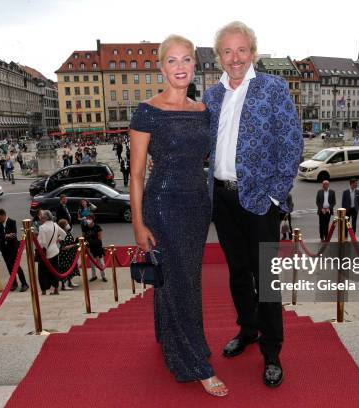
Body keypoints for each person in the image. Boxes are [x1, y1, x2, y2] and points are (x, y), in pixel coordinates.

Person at [203, 22, 302, 388]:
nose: (235, 58)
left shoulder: (273, 89)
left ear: (253, 52)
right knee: (238, 272)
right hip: (223, 199)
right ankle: (248, 330)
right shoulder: (212, 96)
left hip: (260, 200)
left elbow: (292, 146)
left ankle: (272, 351)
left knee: (267, 278)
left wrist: (275, 197)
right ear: (219, 57)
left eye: (241, 50)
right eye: (227, 52)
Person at [130, 34, 229, 396]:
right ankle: (196, 362)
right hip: (163, 204)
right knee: (185, 283)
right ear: (161, 67)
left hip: (197, 206)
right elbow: (137, 174)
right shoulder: (147, 111)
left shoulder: (203, 111)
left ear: (194, 65)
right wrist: (138, 223)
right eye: (172, 61)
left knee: (176, 278)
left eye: (186, 59)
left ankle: (166, 333)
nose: (180, 67)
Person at [0, 209, 29, 292]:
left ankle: (24, 283)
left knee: (16, 266)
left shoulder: (12, 222)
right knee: (9, 267)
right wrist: (6, 235)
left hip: (12, 248)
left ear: (3, 215)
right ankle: (14, 283)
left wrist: (4, 236)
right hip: (4, 249)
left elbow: (13, 234)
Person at [37, 210, 66, 295]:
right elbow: (64, 234)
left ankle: (44, 291)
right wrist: (57, 240)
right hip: (54, 251)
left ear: (45, 217)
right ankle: (56, 289)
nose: (41, 217)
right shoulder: (55, 225)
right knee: (54, 271)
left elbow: (42, 243)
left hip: (44, 254)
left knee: (42, 273)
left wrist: (42, 250)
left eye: (42, 216)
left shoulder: (42, 227)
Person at [81, 214, 107, 282]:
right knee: (92, 262)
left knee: (101, 262)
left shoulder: (97, 227)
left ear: (93, 219)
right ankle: (94, 276)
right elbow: (83, 236)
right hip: (89, 248)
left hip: (97, 247)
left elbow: (99, 238)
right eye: (87, 218)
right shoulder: (85, 227)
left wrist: (90, 242)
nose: (88, 220)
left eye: (89, 218)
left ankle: (103, 276)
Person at [57, 219, 79, 290]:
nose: (68, 225)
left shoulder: (68, 232)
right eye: (66, 224)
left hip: (71, 253)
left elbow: (71, 241)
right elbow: (63, 247)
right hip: (64, 255)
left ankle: (70, 281)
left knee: (71, 267)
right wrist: (74, 245)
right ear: (63, 226)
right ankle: (64, 285)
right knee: (65, 269)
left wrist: (75, 241)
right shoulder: (61, 235)